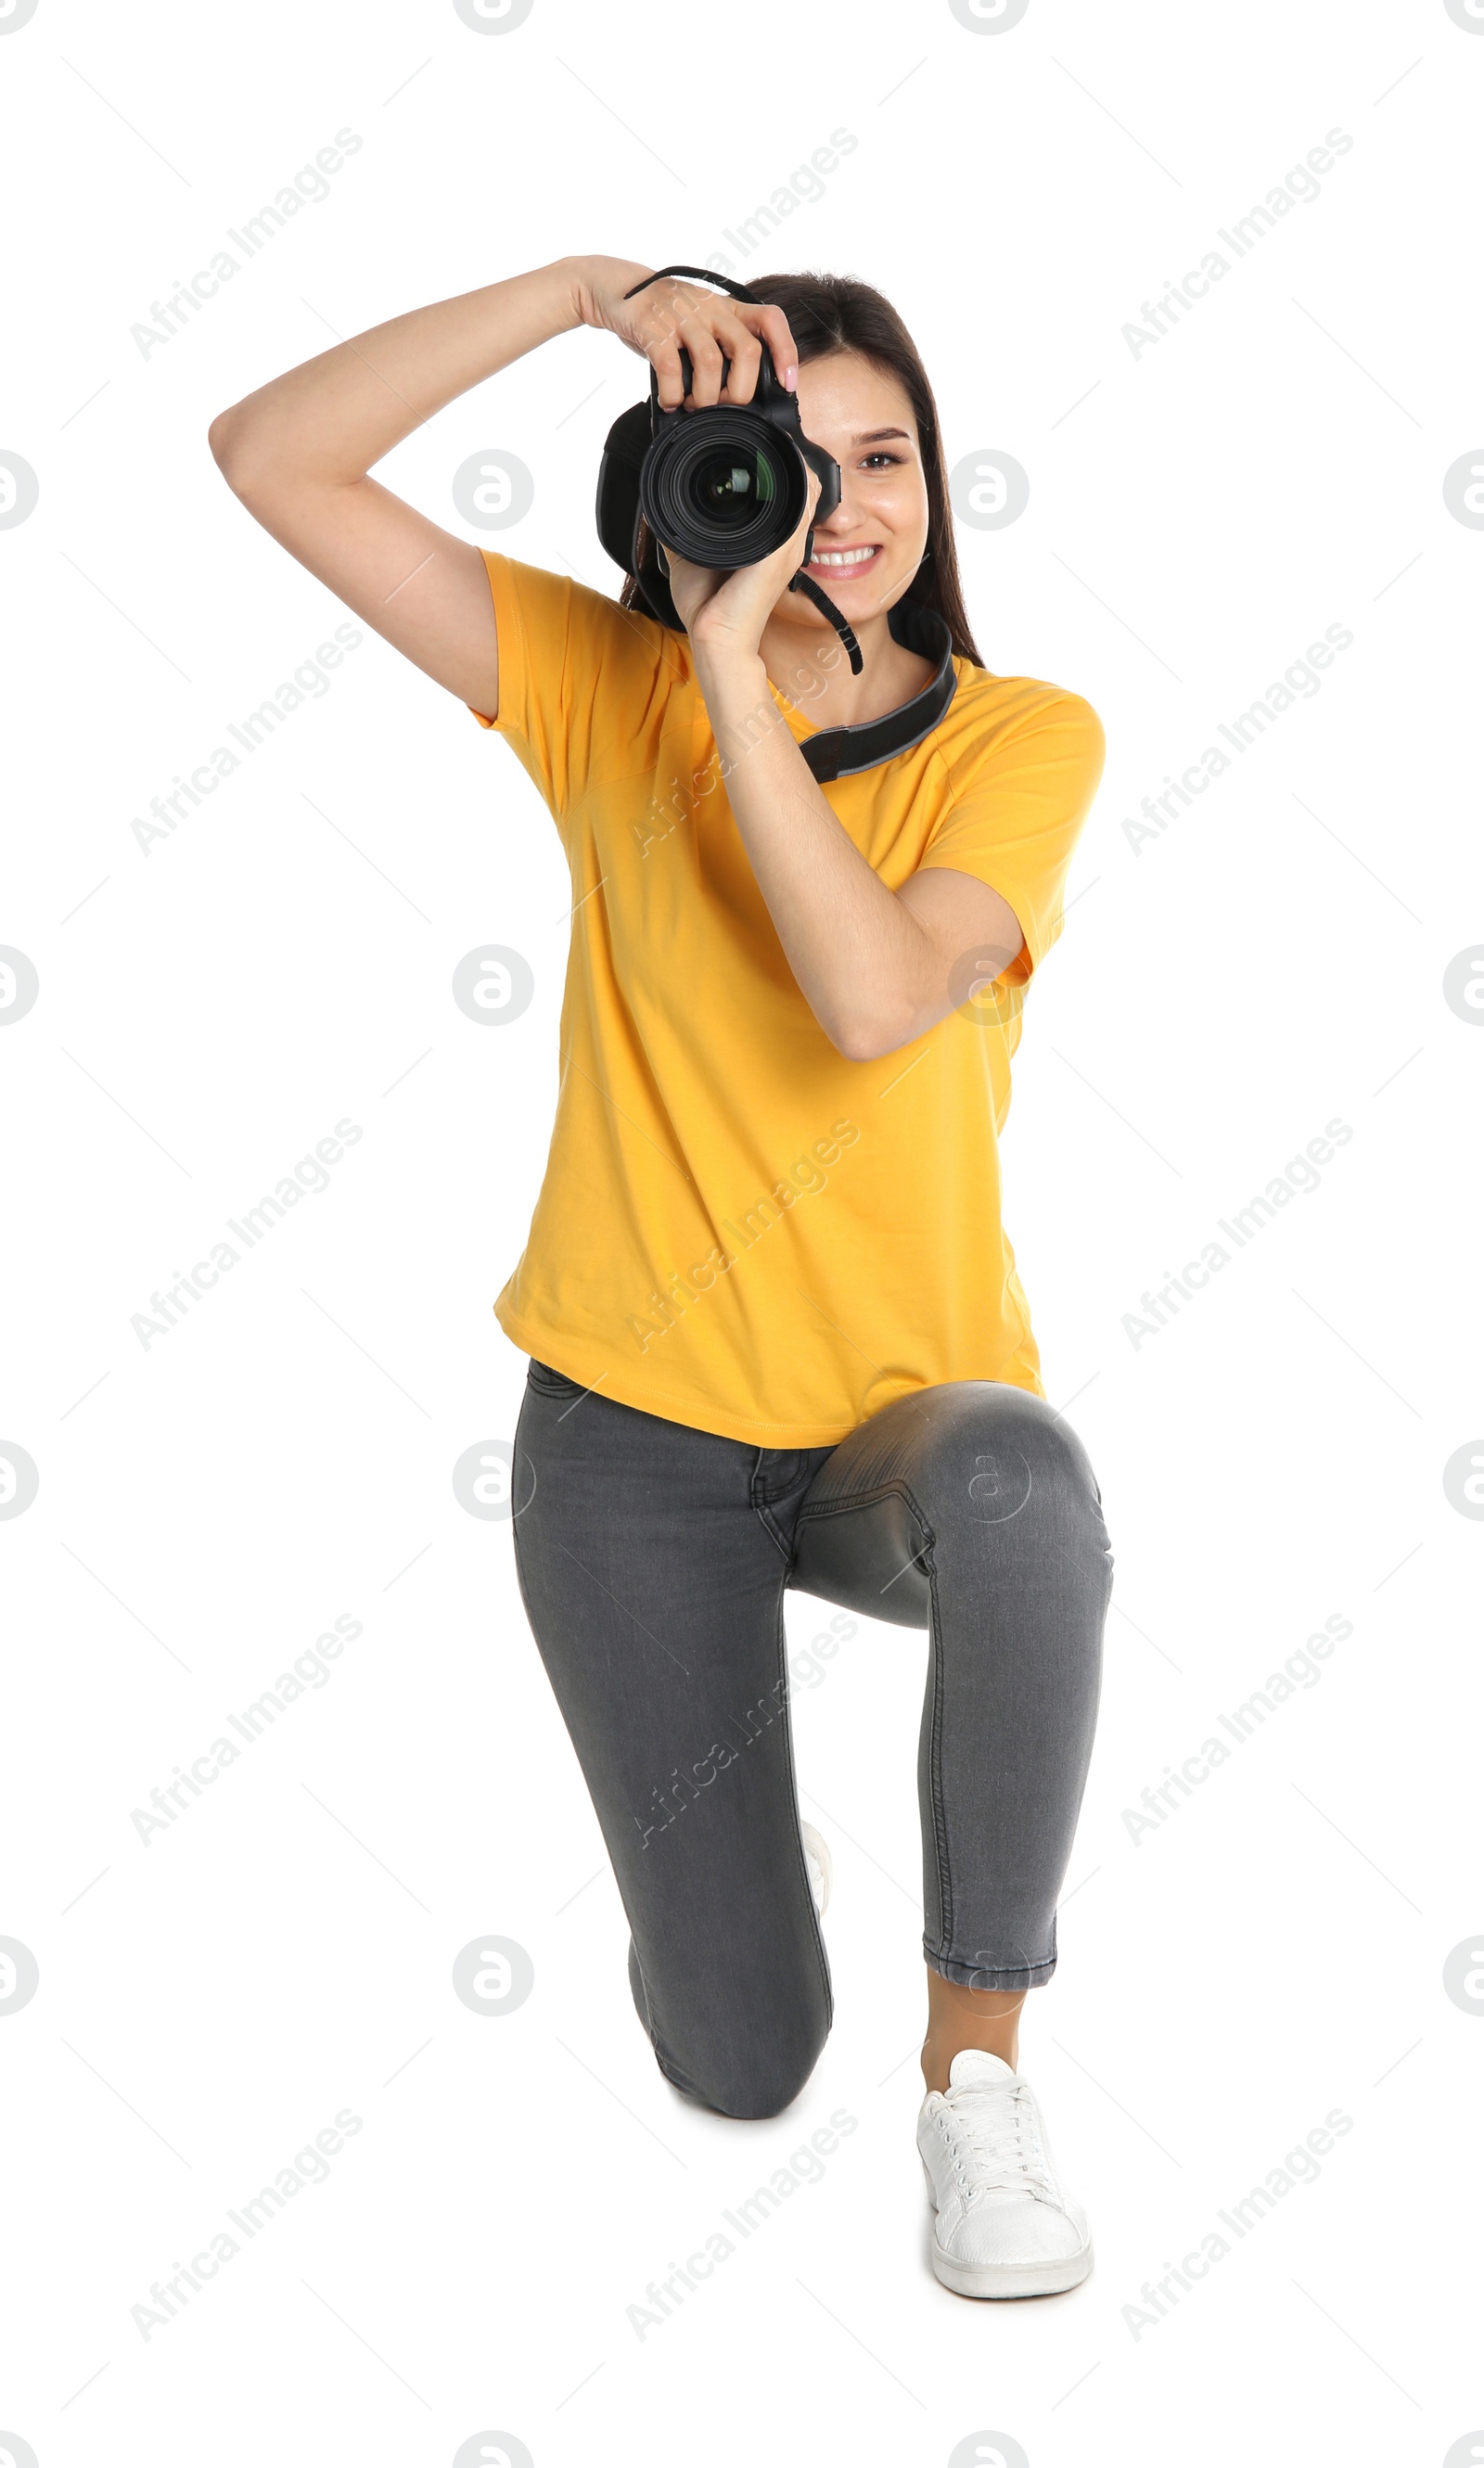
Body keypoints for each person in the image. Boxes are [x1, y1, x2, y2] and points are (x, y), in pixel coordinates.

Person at [209, 255, 1115, 2301]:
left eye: (885, 455)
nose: (845, 502)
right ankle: (718, 1861)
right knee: (735, 2056)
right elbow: (268, 456)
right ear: (696, 475)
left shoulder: (1019, 740)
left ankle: (979, 2079)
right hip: (630, 1440)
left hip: (898, 1430)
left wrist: (730, 671)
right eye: (793, 456)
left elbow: (875, 993)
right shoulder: (595, 693)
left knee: (1022, 1490)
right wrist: (573, 294)